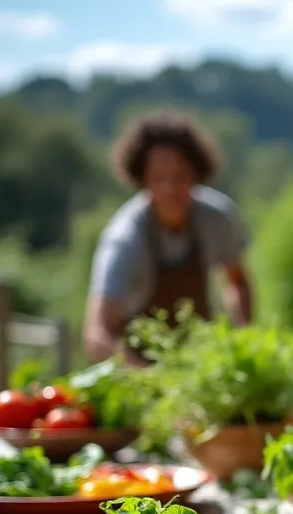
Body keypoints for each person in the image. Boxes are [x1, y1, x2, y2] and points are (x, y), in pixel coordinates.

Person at [84, 111, 253, 361]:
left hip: (201, 359)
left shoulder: (217, 218)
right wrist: (142, 374)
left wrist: (240, 335)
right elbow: (96, 335)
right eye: (159, 178)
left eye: (180, 176)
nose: (171, 189)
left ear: (195, 174)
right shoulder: (124, 239)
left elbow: (237, 281)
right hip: (138, 365)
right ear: (143, 180)